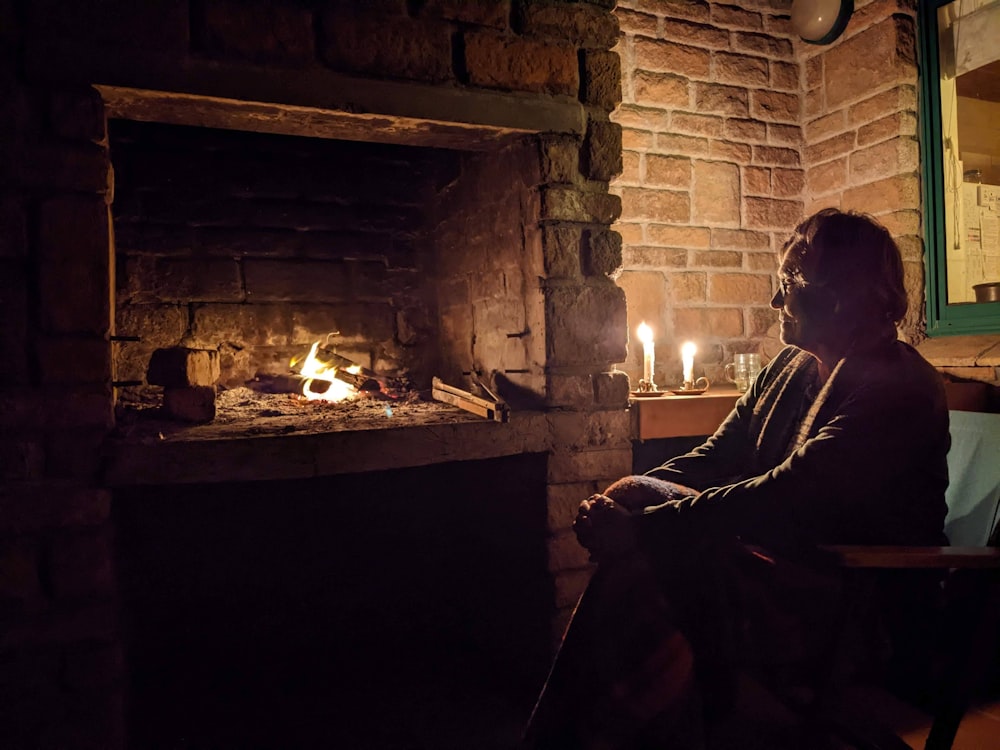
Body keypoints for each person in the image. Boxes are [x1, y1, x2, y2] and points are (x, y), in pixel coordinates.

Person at [524, 209, 950, 749]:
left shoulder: (901, 388)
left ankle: (586, 734)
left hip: (855, 600)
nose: (775, 302)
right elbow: (716, 456)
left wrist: (644, 529)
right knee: (642, 543)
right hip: (778, 562)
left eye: (788, 285)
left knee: (645, 569)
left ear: (841, 294)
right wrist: (625, 496)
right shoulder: (788, 367)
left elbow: (789, 494)